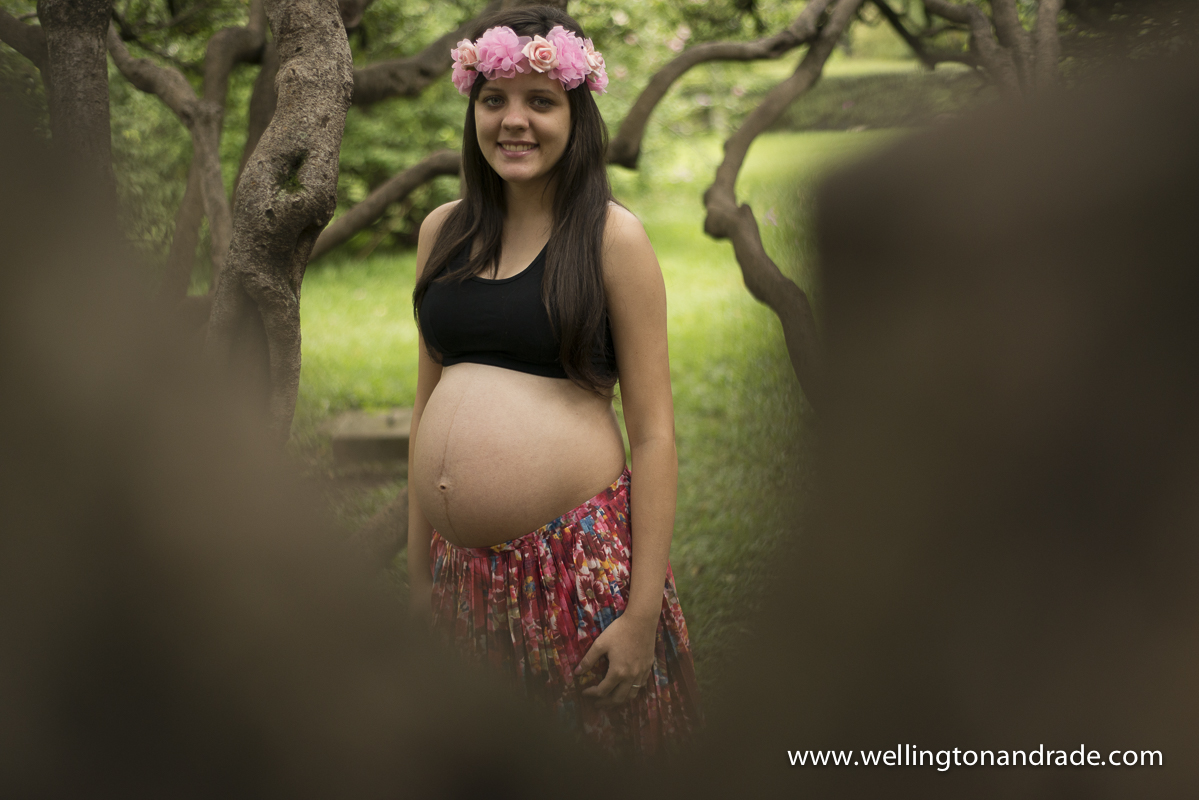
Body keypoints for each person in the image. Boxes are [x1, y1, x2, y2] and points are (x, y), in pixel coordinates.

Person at [406, 6, 701, 754]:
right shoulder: (442, 232)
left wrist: (638, 616)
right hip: (459, 577)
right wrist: (416, 586)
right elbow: (425, 407)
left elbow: (656, 433)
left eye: (541, 101)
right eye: (494, 99)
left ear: (576, 114)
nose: (514, 121)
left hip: (573, 570)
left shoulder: (612, 239)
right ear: (471, 105)